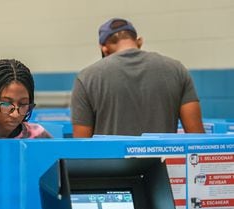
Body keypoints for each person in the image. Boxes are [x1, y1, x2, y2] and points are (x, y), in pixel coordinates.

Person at [70, 18, 205, 137]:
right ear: (139, 41)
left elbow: (82, 145)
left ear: (104, 48)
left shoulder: (87, 78)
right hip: (164, 165)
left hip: (109, 166)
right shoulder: (177, 69)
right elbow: (197, 136)